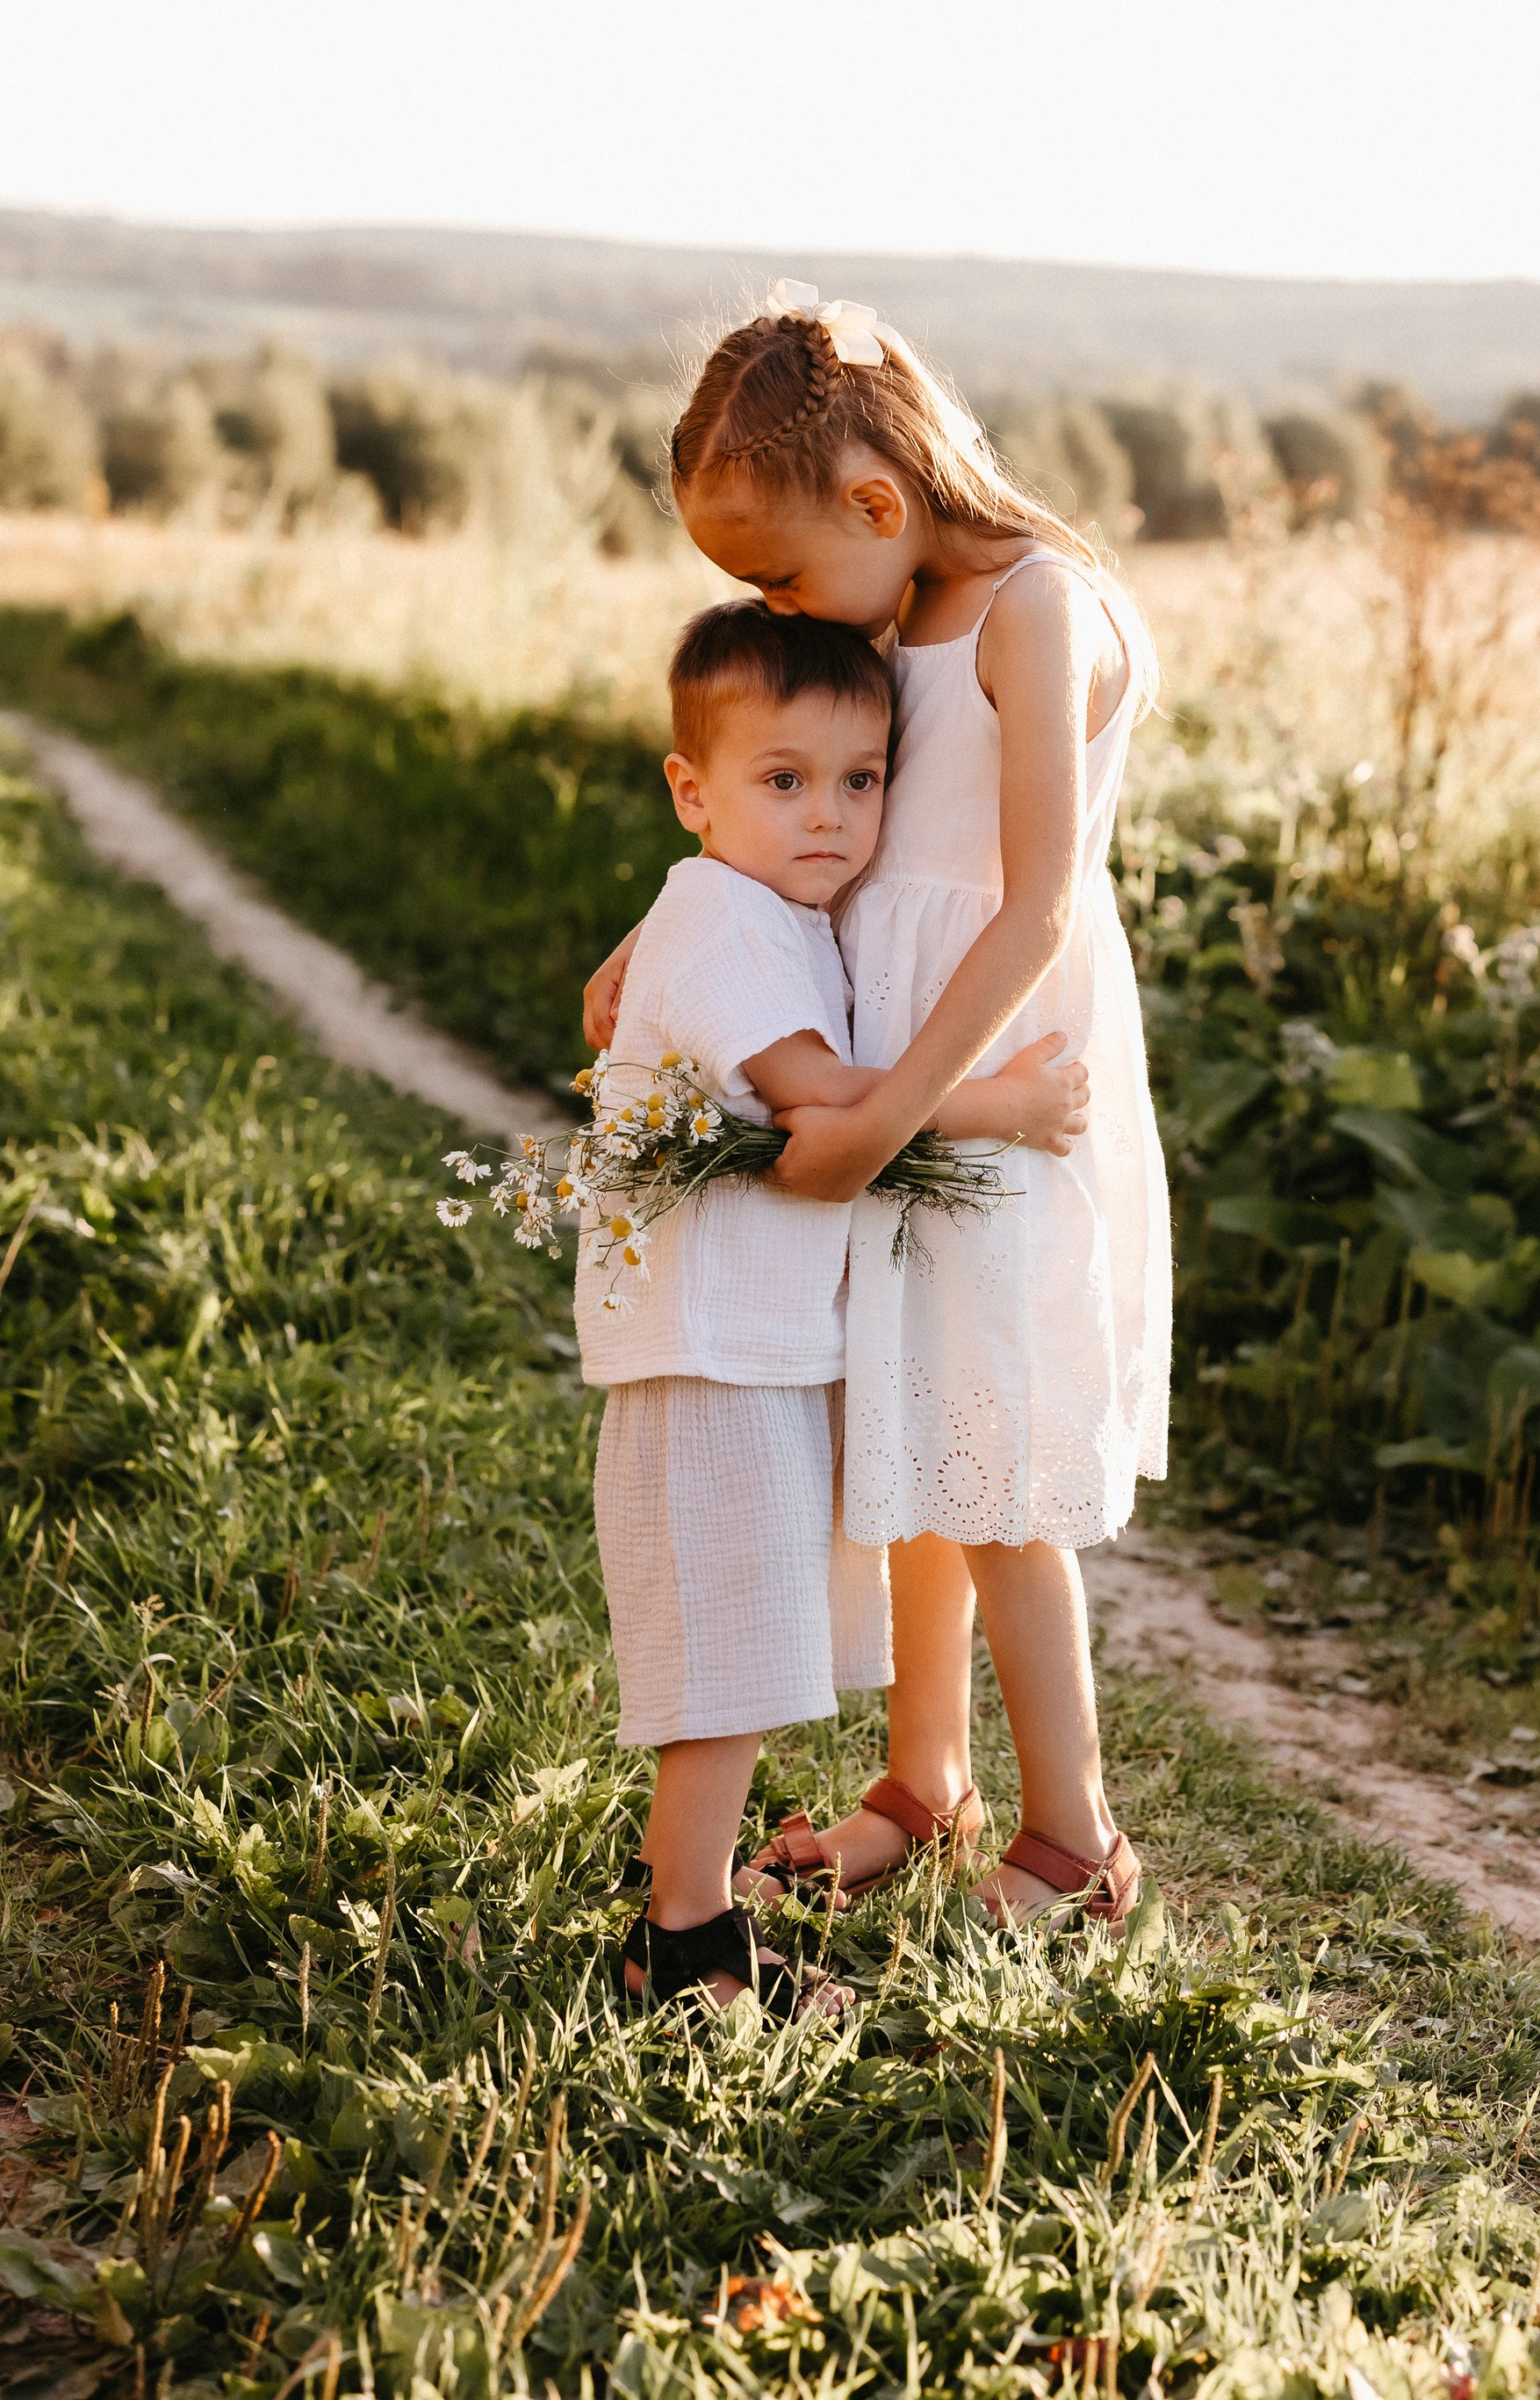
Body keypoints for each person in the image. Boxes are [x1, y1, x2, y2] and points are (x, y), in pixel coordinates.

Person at [585, 285, 1171, 1929]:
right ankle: (926, 1784)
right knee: (900, 1438)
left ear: (872, 500)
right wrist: (670, 928)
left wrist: (899, 1110)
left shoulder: (1033, 609)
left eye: (775, 575)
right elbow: (819, 790)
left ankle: (1075, 1839)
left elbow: (1038, 898)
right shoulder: (883, 602)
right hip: (879, 1047)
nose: (774, 611)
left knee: (992, 1458)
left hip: (991, 1064)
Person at [589, 596, 1088, 2017]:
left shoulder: (769, 911)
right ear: (692, 793)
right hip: (707, 1355)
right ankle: (683, 1947)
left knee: (749, 1646)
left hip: (752, 1347)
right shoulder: (721, 922)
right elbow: (819, 1108)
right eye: (784, 781)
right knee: (729, 1662)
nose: (831, 817)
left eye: (860, 781)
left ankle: (690, 1925)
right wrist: (1008, 1104)